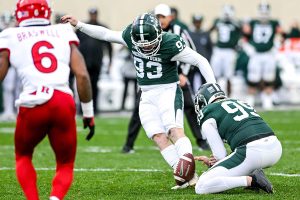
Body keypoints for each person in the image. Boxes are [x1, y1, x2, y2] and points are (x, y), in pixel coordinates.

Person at [61, 12, 216, 188]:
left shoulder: (171, 42)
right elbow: (106, 34)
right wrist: (79, 24)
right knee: (157, 136)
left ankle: (188, 167)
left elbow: (200, 61)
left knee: (174, 130)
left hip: (168, 90)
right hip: (146, 93)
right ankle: (187, 176)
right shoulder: (130, 35)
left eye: (150, 44)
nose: (146, 48)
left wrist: (213, 86)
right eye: (142, 45)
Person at [0, 0, 95, 199]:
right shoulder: (63, 31)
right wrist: (88, 113)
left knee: (23, 156)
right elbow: (83, 75)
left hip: (33, 102)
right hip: (62, 100)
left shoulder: (10, 35)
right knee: (65, 163)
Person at [193, 83, 282, 194]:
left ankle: (252, 180)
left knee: (201, 186)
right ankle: (252, 173)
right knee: (241, 154)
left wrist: (214, 163)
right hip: (275, 147)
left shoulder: (207, 112)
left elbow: (220, 155)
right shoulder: (240, 102)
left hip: (252, 152)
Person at [154, 3, 210, 150]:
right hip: (155, 78)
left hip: (177, 76)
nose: (160, 20)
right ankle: (128, 144)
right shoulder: (150, 31)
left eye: (163, 17)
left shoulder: (179, 30)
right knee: (142, 109)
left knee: (190, 107)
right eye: (157, 17)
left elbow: (192, 52)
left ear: (171, 17)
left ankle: (201, 140)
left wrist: (183, 73)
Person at [242, 2, 284, 109]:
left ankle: (267, 101)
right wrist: (247, 47)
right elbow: (244, 35)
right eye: (262, 12)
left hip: (269, 54)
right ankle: (250, 101)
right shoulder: (252, 22)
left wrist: (277, 46)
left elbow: (283, 35)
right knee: (253, 79)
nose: (264, 14)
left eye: (266, 12)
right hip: (256, 55)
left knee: (269, 79)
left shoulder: (275, 23)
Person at [76, 8, 113, 114]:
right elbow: (74, 44)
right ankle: (81, 109)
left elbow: (109, 46)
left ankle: (95, 108)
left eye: (95, 14)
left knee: (95, 85)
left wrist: (110, 61)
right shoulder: (82, 27)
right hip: (83, 61)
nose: (93, 16)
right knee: (82, 84)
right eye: (92, 14)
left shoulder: (102, 28)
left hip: (96, 61)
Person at [209, 4, 241, 97]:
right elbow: (209, 31)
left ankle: (229, 96)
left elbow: (243, 33)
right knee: (215, 74)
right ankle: (215, 95)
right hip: (218, 50)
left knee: (229, 76)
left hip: (230, 51)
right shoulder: (218, 21)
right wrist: (212, 43)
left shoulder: (236, 23)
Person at [189, 14, 213, 93]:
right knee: (191, 81)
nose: (197, 24)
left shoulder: (205, 34)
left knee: (205, 81)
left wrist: (208, 59)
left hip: (203, 61)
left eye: (199, 22)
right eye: (196, 22)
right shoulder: (190, 34)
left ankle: (205, 95)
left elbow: (210, 48)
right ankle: (192, 97)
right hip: (192, 63)